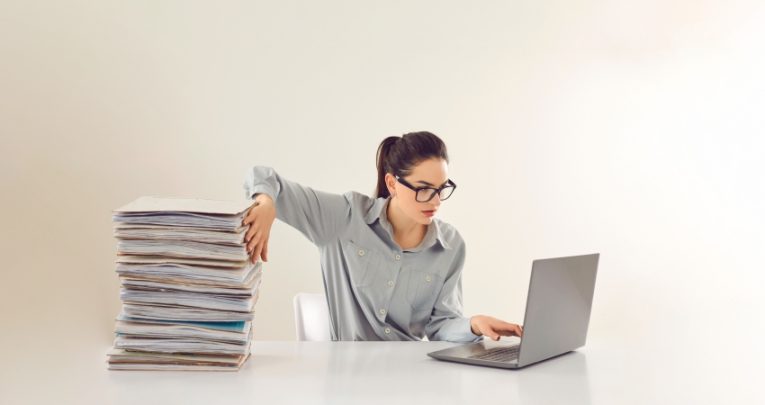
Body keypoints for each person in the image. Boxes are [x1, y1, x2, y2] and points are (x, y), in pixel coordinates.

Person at [242, 131, 523, 342]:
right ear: (392, 183)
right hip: (347, 383)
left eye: (441, 188)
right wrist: (266, 204)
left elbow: (440, 326)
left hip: (411, 380)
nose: (435, 200)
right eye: (424, 189)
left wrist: (473, 324)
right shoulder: (344, 218)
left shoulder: (451, 246)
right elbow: (263, 176)